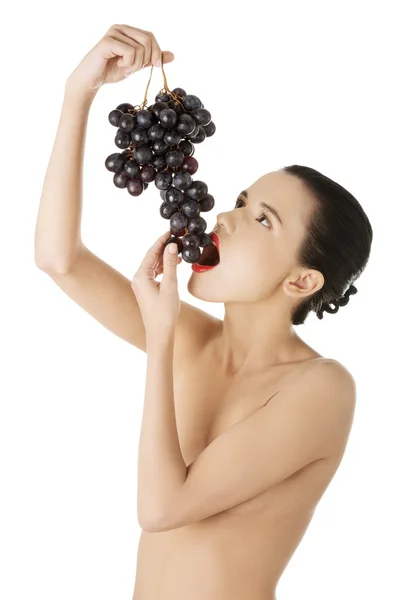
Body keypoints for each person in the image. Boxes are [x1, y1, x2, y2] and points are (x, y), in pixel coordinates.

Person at [34, 23, 373, 600]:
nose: (226, 217)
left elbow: (163, 507)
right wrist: (79, 93)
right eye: (242, 201)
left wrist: (160, 339)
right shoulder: (197, 339)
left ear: (301, 279)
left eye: (263, 219)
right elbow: (58, 259)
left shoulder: (321, 388)